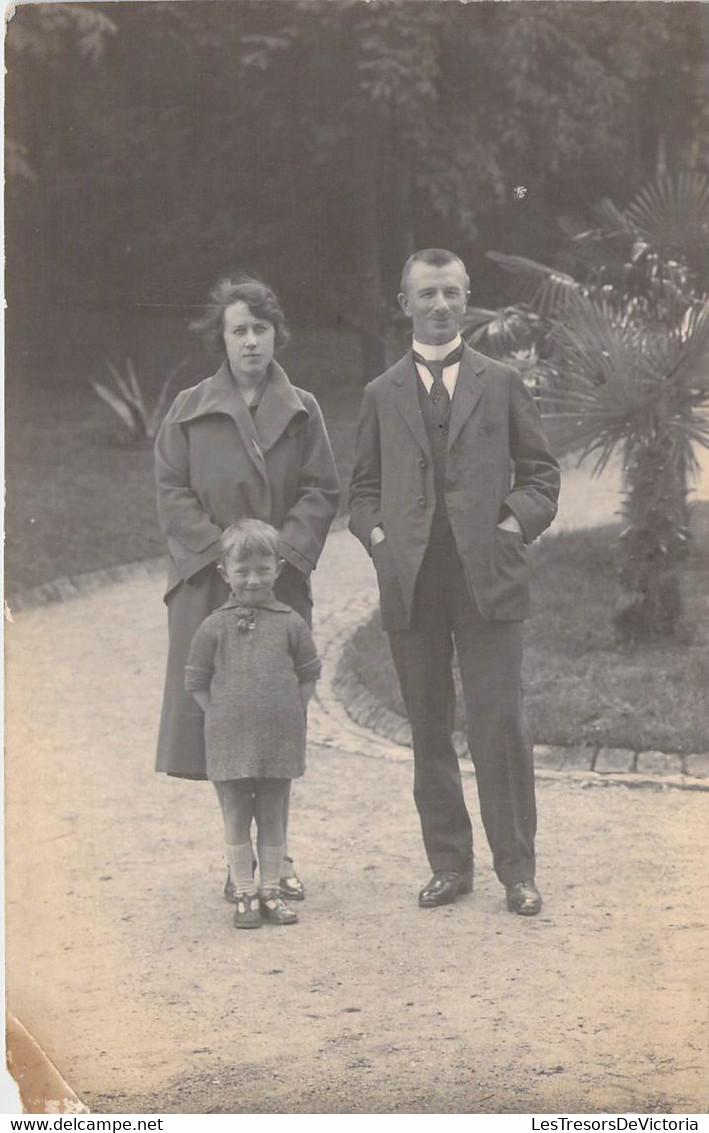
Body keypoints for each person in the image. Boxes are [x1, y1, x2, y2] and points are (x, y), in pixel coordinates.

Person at [349, 248, 560, 916]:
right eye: (426, 294)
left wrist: (508, 527)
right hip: (412, 581)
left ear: (466, 299)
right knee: (428, 723)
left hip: (487, 578)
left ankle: (516, 869)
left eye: (450, 293)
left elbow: (541, 476)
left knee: (498, 721)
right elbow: (361, 490)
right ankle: (448, 863)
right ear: (404, 302)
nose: (439, 305)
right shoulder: (380, 393)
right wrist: (379, 542)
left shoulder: (498, 383)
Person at [155, 274, 339, 902]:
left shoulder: (304, 409)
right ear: (223, 339)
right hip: (212, 584)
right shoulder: (188, 408)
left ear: (275, 334)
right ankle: (239, 863)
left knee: (272, 723)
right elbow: (171, 490)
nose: (252, 342)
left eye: (261, 329)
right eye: (240, 330)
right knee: (222, 729)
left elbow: (321, 489)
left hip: (277, 584)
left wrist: (279, 554)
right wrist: (221, 552)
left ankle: (278, 859)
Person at [185, 520, 321, 928]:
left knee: (275, 814)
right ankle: (244, 890)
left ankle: (271, 890)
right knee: (236, 813)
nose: (253, 579)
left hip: (279, 737)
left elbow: (309, 673)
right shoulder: (213, 627)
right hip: (229, 738)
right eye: (242, 571)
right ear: (224, 573)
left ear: (279, 568)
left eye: (263, 569)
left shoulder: (291, 623)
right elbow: (195, 681)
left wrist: (291, 712)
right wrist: (218, 714)